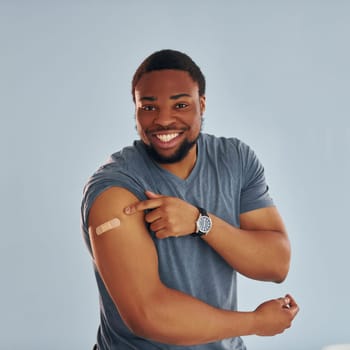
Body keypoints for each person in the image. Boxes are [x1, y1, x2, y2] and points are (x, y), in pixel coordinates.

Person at [81, 49, 299, 350]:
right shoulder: (114, 189)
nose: (163, 120)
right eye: (148, 107)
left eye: (180, 104)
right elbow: (148, 313)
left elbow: (276, 263)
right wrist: (256, 323)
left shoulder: (235, 160)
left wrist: (201, 222)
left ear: (202, 104)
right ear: (135, 109)